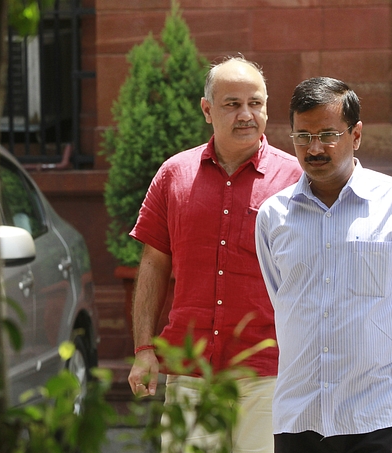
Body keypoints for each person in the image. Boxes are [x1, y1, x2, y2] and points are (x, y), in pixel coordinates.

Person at [255, 77, 392, 453]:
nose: (314, 148)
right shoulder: (273, 216)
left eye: (328, 134)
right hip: (301, 414)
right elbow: (284, 303)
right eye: (302, 136)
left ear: (356, 135)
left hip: (382, 415)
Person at [127, 55, 302, 453]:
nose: (246, 114)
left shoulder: (295, 181)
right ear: (207, 109)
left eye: (255, 103)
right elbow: (154, 263)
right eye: (232, 104)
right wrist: (143, 349)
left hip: (268, 372)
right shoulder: (174, 175)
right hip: (191, 373)